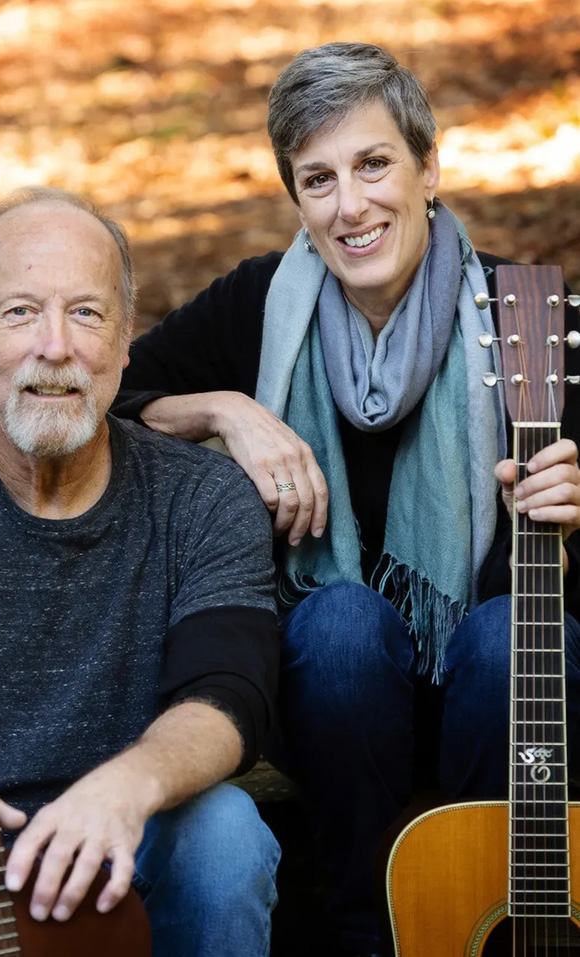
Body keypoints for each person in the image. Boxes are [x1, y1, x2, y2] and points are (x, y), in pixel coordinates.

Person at [112, 42, 580, 956]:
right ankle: (369, 931)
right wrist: (227, 410)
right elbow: (109, 408)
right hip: (332, 705)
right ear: (296, 200)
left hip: (501, 703)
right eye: (317, 179)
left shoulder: (529, 317)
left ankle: (481, 914)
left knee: (509, 631)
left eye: (374, 164)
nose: (350, 205)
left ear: (429, 168)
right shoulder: (257, 307)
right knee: (340, 623)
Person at [0, 186, 282, 957]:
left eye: (86, 312)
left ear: (125, 336)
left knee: (225, 835)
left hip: (120, 834)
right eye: (19, 312)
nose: (55, 345)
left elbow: (227, 692)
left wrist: (127, 786)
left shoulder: (202, 498)